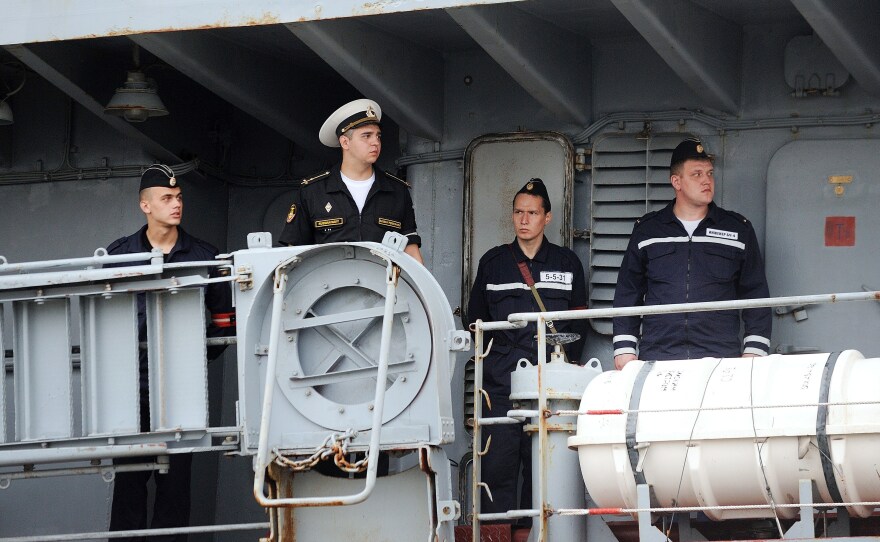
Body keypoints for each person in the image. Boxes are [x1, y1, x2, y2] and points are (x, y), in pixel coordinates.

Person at [106, 164, 233, 542]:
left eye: (178, 198)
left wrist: (192, 360)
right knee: (129, 485)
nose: (176, 204)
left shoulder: (205, 255)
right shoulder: (118, 255)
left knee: (175, 487)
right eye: (166, 198)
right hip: (132, 392)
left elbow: (225, 322)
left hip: (183, 392)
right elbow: (104, 319)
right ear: (145, 205)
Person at [464, 178, 587, 526]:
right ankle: (498, 534)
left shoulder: (567, 263)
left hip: (550, 382)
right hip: (501, 385)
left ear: (547, 217)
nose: (524, 219)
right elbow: (475, 322)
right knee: (499, 467)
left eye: (532, 212)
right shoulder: (494, 262)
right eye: (518, 211)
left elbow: (580, 321)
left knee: (546, 468)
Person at [612, 138, 772, 370]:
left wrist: (754, 351)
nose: (706, 180)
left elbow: (755, 293)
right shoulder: (648, 230)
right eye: (696, 174)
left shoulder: (737, 229)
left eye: (709, 173)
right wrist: (625, 349)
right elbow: (628, 292)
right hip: (658, 356)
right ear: (676, 181)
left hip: (721, 358)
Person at [279, 98, 423, 263]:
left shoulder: (397, 190)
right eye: (366, 136)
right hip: (327, 286)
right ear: (345, 142)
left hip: (383, 286)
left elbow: (411, 252)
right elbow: (292, 252)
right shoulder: (313, 191)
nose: (375, 142)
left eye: (378, 136)